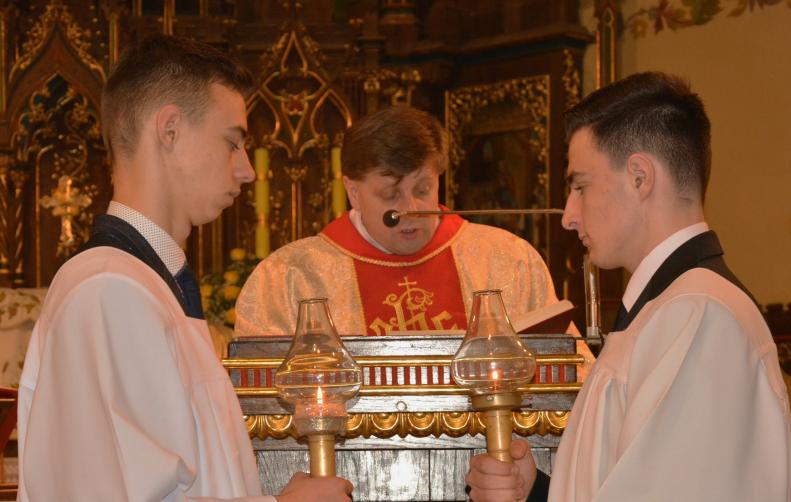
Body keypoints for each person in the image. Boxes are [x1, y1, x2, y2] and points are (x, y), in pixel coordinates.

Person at [16, 35, 353, 501]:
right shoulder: (109, 291)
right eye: (232, 143)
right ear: (170, 129)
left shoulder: (146, 284)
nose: (247, 170)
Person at [465, 71, 791, 501]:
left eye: (580, 186)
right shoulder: (672, 310)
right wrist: (535, 492)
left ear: (640, 176)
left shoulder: (697, 316)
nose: (568, 216)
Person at [236, 106, 590, 369]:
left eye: (423, 189)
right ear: (353, 191)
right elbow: (258, 393)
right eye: (390, 194)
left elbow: (572, 370)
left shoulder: (506, 259)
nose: (411, 209)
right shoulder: (289, 276)